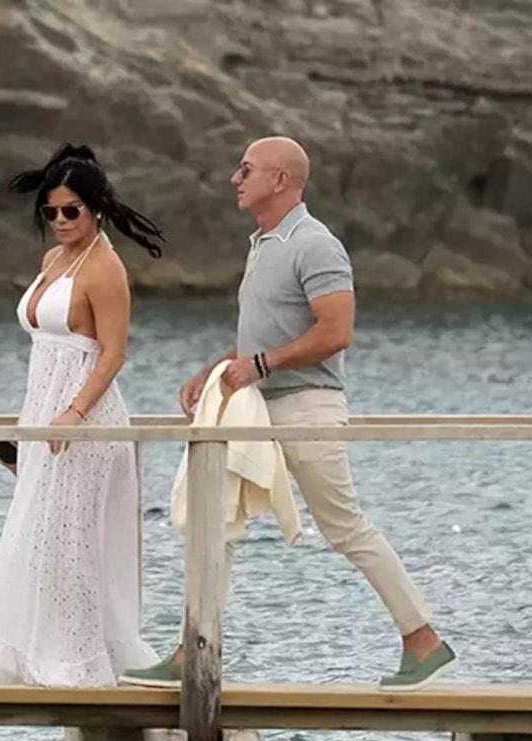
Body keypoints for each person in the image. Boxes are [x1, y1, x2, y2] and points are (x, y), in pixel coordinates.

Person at [121, 136, 455, 691]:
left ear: (280, 180)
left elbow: (335, 332)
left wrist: (260, 364)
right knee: (216, 524)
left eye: (246, 169)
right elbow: (266, 337)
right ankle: (190, 653)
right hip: (257, 407)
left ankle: (423, 640)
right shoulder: (263, 244)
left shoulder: (316, 244)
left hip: (307, 405)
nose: (235, 178)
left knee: (343, 526)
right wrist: (214, 370)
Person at [0, 143, 163, 686]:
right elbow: (47, 349)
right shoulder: (53, 261)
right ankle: (39, 651)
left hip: (86, 419)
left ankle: (80, 661)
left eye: (72, 210)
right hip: (44, 414)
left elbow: (112, 354)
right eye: (51, 211)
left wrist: (73, 411)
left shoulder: (106, 268)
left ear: (96, 208)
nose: (61, 220)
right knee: (40, 537)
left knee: (72, 542)